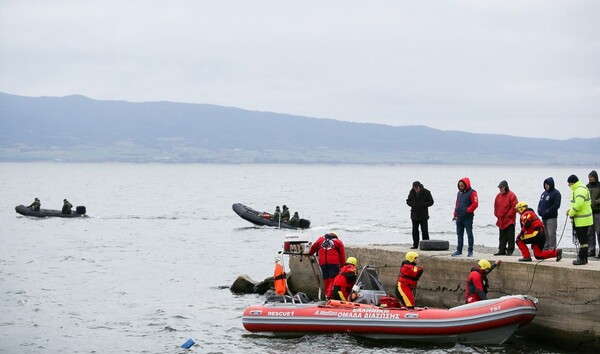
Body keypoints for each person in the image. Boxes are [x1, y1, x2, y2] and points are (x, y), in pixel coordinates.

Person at [308, 232, 346, 299]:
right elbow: (342, 256)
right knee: (333, 279)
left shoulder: (320, 239)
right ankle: (330, 295)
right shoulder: (338, 242)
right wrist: (343, 267)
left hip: (323, 262)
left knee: (326, 278)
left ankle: (326, 294)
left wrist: (309, 253)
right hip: (333, 262)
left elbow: (314, 247)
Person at [567, 175, 593, 265]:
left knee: (582, 240)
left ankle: (582, 258)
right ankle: (584, 258)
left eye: (569, 183)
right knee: (583, 239)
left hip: (582, 220)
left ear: (572, 182)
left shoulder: (579, 190)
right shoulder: (579, 188)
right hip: (582, 219)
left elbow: (579, 204)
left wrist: (571, 213)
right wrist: (570, 211)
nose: (568, 185)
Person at [452, 177, 478, 257]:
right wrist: (455, 214)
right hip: (459, 217)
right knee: (459, 234)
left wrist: (468, 210)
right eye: (459, 186)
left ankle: (470, 251)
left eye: (462, 186)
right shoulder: (459, 193)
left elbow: (475, 204)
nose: (460, 187)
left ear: (466, 185)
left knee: (469, 234)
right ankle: (459, 250)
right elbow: (457, 204)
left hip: (467, 217)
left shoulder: (472, 192)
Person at [406, 181, 434, 249]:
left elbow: (431, 202)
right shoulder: (411, 192)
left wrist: (423, 205)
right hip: (414, 214)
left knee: (424, 230)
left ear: (420, 187)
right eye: (414, 188)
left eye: (417, 188)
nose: (416, 189)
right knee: (415, 230)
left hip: (423, 214)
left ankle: (426, 245)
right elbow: (408, 201)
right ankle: (415, 245)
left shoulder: (426, 192)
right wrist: (413, 204)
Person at [493, 180, 518, 256]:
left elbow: (515, 207)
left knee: (510, 236)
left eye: (501, 188)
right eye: (499, 188)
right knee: (502, 236)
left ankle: (510, 250)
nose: (500, 189)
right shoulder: (498, 196)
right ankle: (501, 249)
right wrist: (496, 214)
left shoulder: (512, 195)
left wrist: (508, 215)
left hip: (509, 220)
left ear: (506, 187)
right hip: (501, 219)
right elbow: (495, 206)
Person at [537, 177, 562, 251]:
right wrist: (539, 210)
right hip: (544, 217)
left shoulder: (556, 193)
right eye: (545, 185)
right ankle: (546, 247)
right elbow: (540, 203)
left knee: (551, 234)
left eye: (547, 185)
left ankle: (552, 248)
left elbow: (556, 205)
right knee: (545, 234)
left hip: (552, 217)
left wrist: (548, 211)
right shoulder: (543, 194)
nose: (546, 186)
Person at [586, 171, 600, 258]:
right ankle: (592, 249)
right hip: (589, 213)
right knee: (590, 232)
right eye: (589, 177)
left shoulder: (599, 185)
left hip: (598, 212)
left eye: (591, 177)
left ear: (595, 177)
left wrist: (597, 202)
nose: (590, 178)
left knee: (599, 232)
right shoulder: (587, 187)